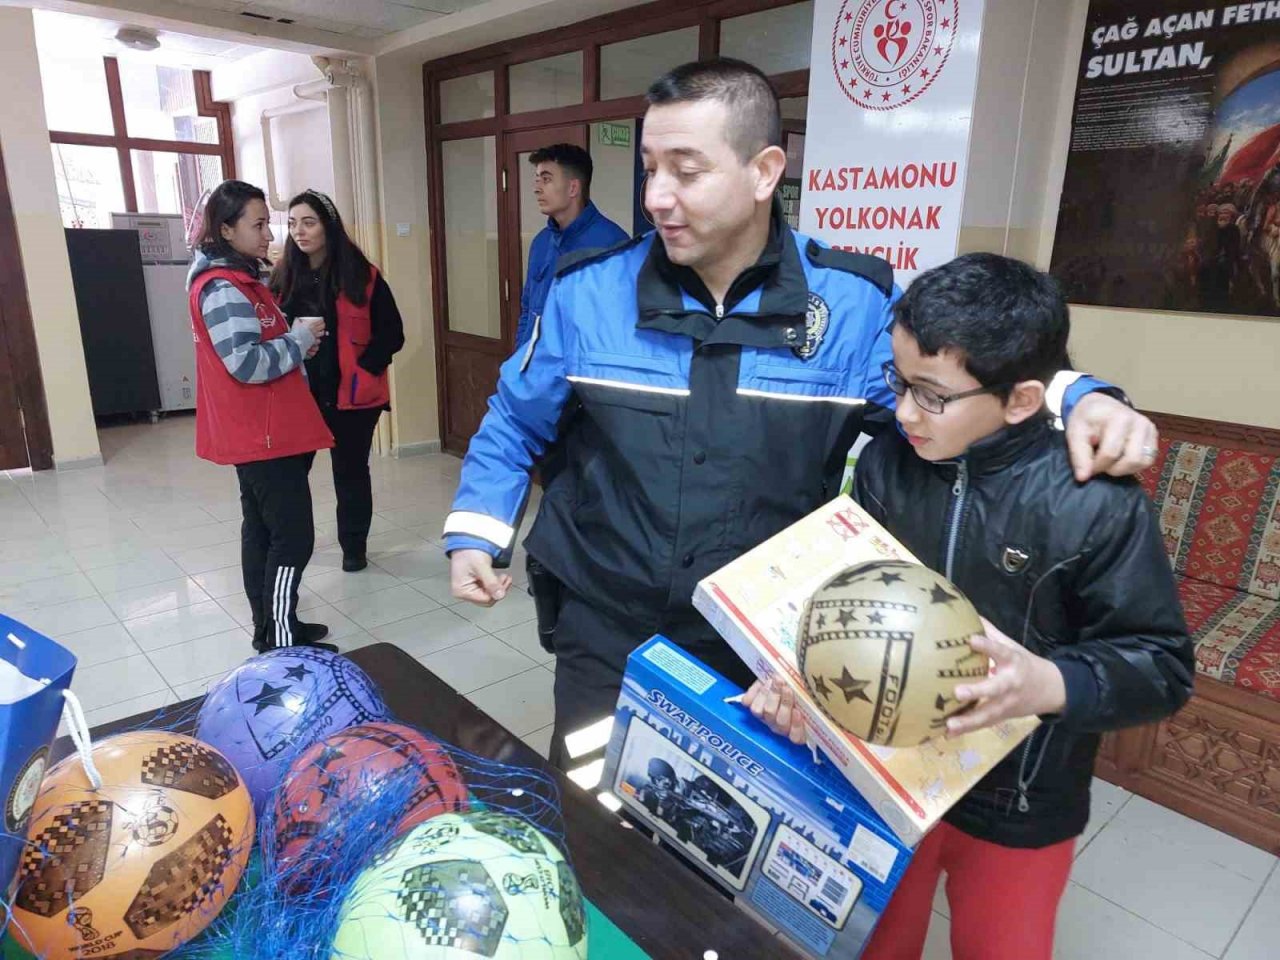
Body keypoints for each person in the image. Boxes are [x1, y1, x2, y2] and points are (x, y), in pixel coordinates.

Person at [444, 58, 1161, 771]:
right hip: (604, 618)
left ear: (764, 171)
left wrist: (1080, 393)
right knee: (593, 797)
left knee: (722, 822)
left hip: (760, 641)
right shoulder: (589, 292)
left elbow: (967, 372)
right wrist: (477, 531)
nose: (658, 196)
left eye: (686, 171)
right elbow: (515, 419)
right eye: (649, 169)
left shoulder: (852, 305)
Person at [746, 254, 1194, 960]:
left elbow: (1162, 666)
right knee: (874, 946)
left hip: (1020, 803)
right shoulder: (891, 462)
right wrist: (798, 682)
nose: (900, 411)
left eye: (930, 394)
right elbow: (847, 589)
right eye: (898, 382)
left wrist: (1047, 684)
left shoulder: (1093, 501)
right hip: (886, 778)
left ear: (1020, 401)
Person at [187, 180, 336, 653]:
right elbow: (246, 364)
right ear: (227, 230)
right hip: (262, 435)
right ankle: (282, 638)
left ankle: (272, 627)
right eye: (258, 224)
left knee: (263, 531)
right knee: (292, 539)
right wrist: (297, 340)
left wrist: (293, 339)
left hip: (265, 431)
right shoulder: (224, 288)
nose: (269, 233)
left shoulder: (244, 277)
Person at [270, 189, 406, 572]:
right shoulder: (282, 277)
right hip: (301, 397)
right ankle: (292, 552)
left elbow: (392, 332)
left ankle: (354, 547)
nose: (299, 231)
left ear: (328, 227)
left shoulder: (362, 276)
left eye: (309, 222)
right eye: (293, 223)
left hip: (354, 399)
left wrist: (365, 366)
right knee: (293, 478)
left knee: (350, 476)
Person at [515, 144, 628, 348]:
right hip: (536, 373)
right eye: (537, 178)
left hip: (578, 373)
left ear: (573, 188)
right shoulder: (541, 242)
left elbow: (617, 325)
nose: (537, 187)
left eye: (546, 179)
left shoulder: (612, 244)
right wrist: (520, 362)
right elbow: (528, 309)